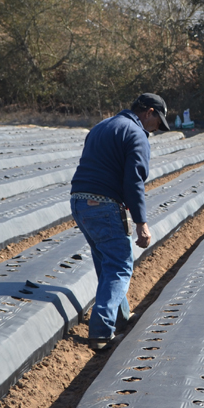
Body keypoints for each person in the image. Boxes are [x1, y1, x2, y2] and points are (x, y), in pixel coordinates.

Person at [69, 93, 171, 350]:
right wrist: (141, 222)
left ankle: (121, 318)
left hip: (79, 201)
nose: (157, 127)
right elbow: (133, 181)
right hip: (103, 204)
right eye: (158, 121)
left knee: (106, 261)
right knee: (120, 265)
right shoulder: (136, 134)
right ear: (148, 112)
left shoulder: (103, 125)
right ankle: (102, 333)